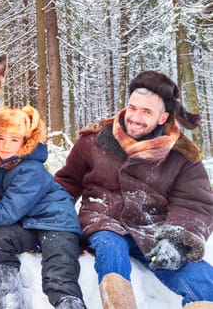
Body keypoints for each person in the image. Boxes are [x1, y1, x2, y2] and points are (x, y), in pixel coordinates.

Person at [54, 71, 213, 309]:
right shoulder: (94, 140)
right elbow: (66, 184)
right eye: (133, 108)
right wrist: (50, 222)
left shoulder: (182, 155)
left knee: (203, 283)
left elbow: (195, 203)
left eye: (146, 111)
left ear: (163, 117)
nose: (135, 117)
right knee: (111, 250)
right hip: (102, 221)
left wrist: (176, 241)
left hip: (153, 230)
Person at [0, 105, 86, 309]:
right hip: (29, 226)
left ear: (26, 142)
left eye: (14, 139)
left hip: (57, 224)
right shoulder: (1, 164)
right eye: (0, 138)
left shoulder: (30, 169)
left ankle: (69, 303)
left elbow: (5, 214)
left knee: (58, 275)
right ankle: (10, 297)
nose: (5, 146)